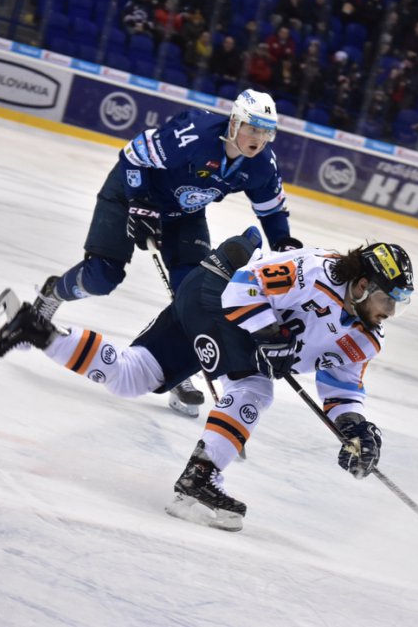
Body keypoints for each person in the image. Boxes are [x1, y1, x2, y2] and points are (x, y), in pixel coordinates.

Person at [0, 234, 415, 532]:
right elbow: (243, 287)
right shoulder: (314, 270)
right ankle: (199, 480)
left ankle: (34, 329)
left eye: (400, 302)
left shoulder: (366, 336)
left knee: (134, 375)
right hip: (214, 292)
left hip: (219, 313)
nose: (391, 312)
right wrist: (268, 334)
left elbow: (340, 386)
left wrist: (355, 427)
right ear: (361, 284)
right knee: (254, 387)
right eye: (387, 298)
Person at [29, 89, 301, 415]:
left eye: (266, 132)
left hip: (184, 215)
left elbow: (272, 211)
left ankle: (173, 367)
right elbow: (133, 155)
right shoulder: (194, 134)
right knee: (102, 276)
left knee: (195, 292)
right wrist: (140, 201)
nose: (259, 139)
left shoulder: (262, 165)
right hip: (130, 195)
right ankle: (53, 292)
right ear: (234, 123)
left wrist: (284, 244)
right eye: (252, 129)